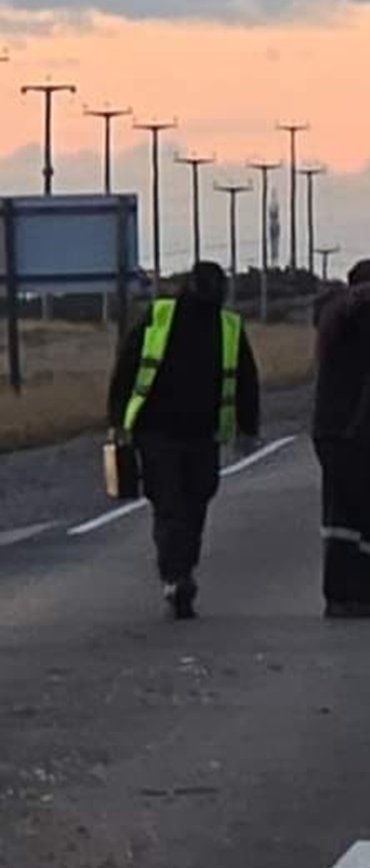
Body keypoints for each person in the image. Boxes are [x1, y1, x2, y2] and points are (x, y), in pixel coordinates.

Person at [108, 260, 261, 621]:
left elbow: (245, 379)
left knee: (193, 503)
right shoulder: (160, 317)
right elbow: (129, 365)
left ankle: (181, 572)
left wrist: (247, 427)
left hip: (200, 433)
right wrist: (118, 420)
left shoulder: (228, 326)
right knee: (173, 504)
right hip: (158, 431)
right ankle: (176, 577)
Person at [312, 257, 370, 619]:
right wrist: (352, 298)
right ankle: (340, 595)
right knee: (344, 519)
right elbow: (331, 317)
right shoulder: (341, 317)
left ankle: (367, 590)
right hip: (344, 434)